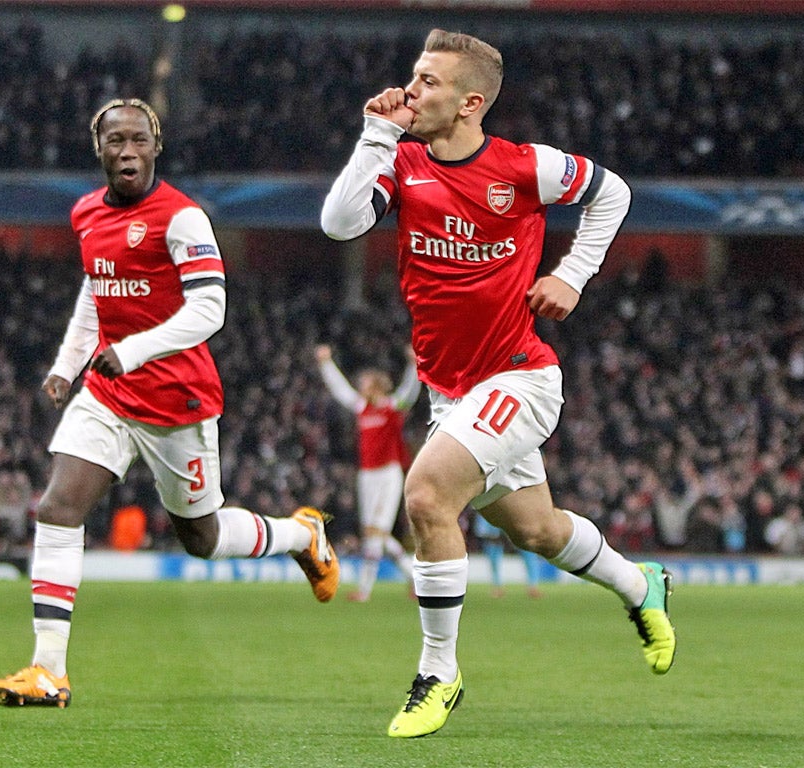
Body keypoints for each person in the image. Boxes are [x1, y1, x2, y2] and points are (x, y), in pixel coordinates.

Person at [321, 29, 675, 738]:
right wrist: (373, 134)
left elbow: (614, 193)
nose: (411, 90)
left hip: (519, 375)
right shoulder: (404, 161)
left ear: (470, 101)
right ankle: (642, 586)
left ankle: (438, 674)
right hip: (453, 392)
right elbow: (338, 224)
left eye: (428, 82)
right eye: (413, 78)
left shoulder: (524, 167)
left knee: (425, 497)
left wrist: (571, 275)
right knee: (538, 531)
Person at [0, 98, 339, 709]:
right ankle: (48, 671)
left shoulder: (182, 218)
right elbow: (98, 293)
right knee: (58, 506)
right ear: (98, 150)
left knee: (200, 537)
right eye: (115, 140)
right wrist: (68, 366)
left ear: (156, 147)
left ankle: (300, 536)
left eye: (138, 140)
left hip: (178, 401)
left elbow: (210, 309)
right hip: (109, 393)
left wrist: (136, 350)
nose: (127, 150)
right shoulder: (86, 213)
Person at [315, 343, 420, 601]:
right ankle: (414, 579)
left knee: (376, 533)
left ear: (376, 386)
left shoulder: (391, 406)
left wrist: (413, 365)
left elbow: (409, 391)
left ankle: (364, 590)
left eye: (365, 382)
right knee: (376, 534)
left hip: (388, 474)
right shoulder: (362, 408)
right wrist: (326, 364)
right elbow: (341, 390)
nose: (360, 385)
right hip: (367, 475)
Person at [472, 512, 542, 598]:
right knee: (494, 551)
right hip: (495, 517)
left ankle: (533, 586)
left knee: (528, 551)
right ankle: (497, 586)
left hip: (514, 515)